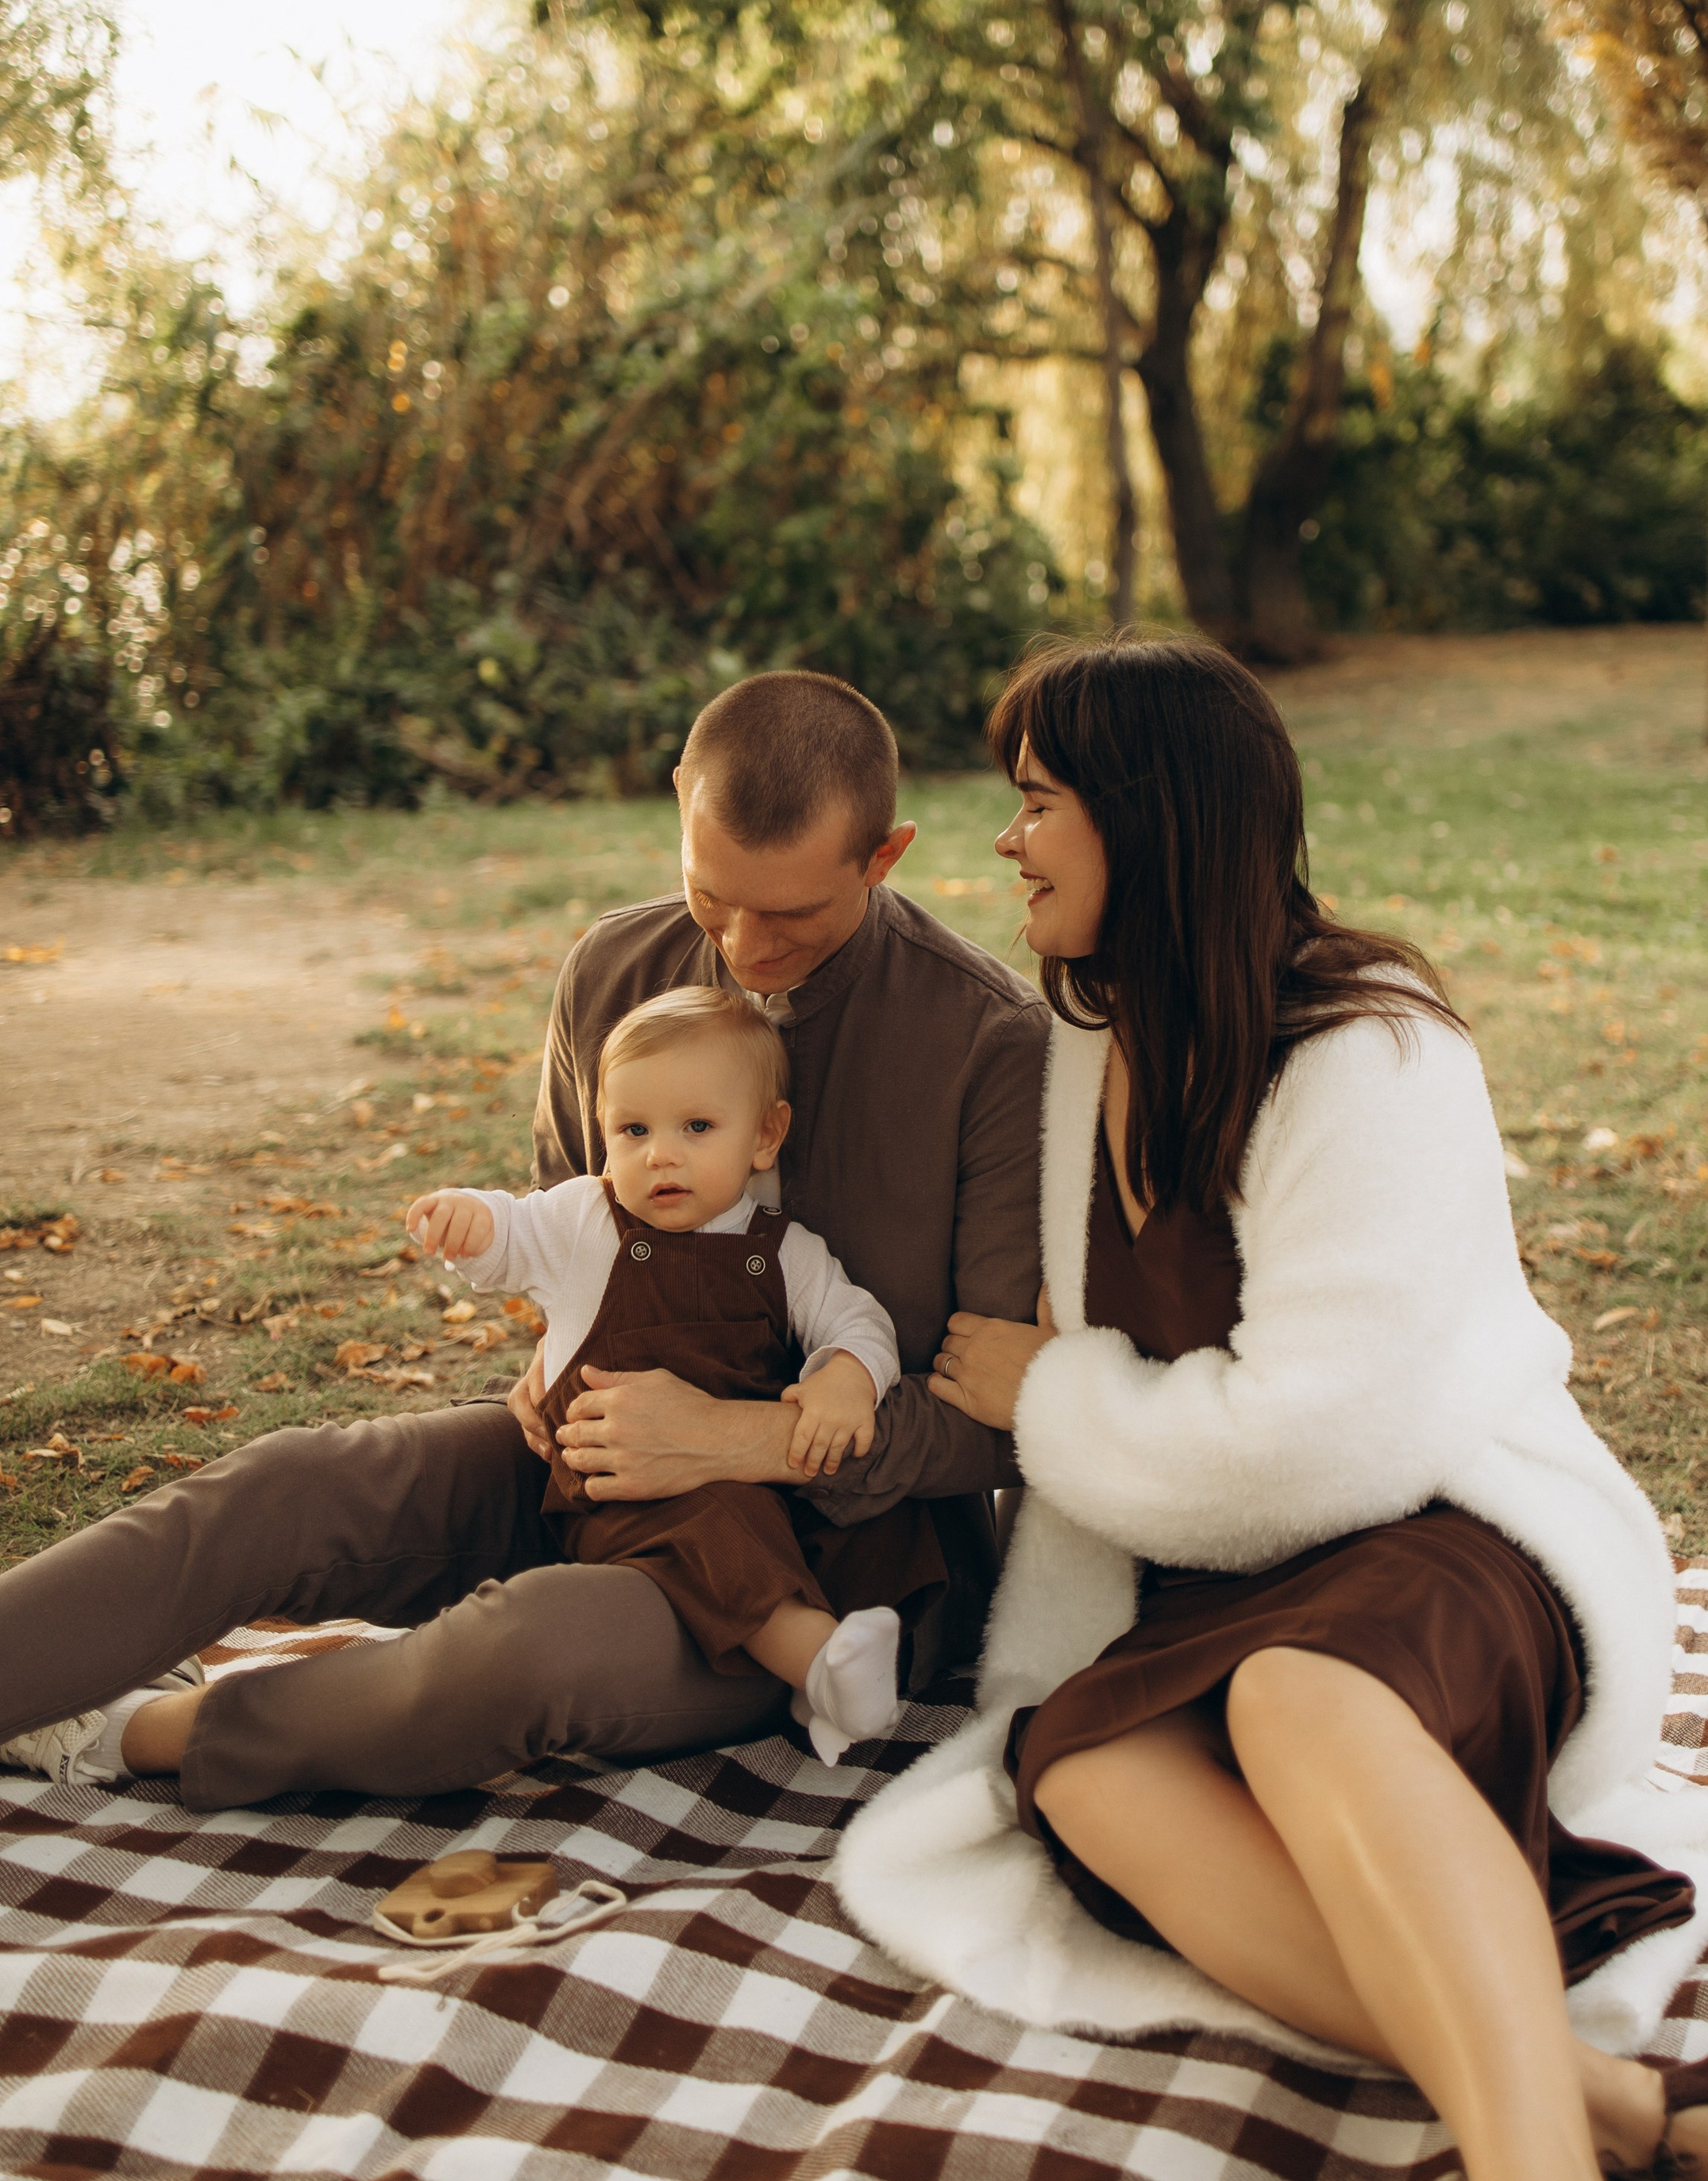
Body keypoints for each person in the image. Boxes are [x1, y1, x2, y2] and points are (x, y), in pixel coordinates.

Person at [839, 634, 1708, 2181]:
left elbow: (1319, 1442)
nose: (1005, 844)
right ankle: (1636, 2109)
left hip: (1449, 1538)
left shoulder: (1370, 1051)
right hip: (1223, 1578)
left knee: (1295, 1693)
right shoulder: (1075, 1049)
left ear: (1149, 822)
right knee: (1083, 1769)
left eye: (1034, 805)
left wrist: (1052, 1394)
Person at [0, 670, 1047, 1807]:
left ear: (882, 859)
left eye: (790, 917)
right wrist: (556, 1377)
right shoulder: (614, 973)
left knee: (528, 1652)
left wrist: (736, 1441)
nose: (743, 947)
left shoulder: (989, 1046)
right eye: (711, 898)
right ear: (681, 804)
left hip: (837, 1574)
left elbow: (1004, 1428)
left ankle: (137, 1734)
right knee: (296, 1484)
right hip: (594, 1474)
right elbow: (568, 1243)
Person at [407, 986, 909, 1766]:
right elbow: (513, 1229)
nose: (659, 1155)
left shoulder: (785, 1253)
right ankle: (820, 1659)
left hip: (735, 1481)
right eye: (631, 1130)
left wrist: (846, 1375)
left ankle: (817, 1678)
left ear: (765, 1135)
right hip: (612, 1493)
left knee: (766, 1524)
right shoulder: (585, 1220)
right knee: (712, 1530)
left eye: (696, 1128)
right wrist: (470, 1219)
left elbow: (859, 1322)